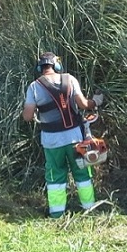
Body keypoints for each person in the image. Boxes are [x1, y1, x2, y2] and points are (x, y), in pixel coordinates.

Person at [22, 52, 104, 218]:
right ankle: (89, 210)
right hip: (75, 138)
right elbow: (83, 104)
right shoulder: (70, 79)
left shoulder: (34, 87)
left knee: (55, 175)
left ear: (40, 67)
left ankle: (57, 213)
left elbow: (28, 117)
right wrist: (96, 101)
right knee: (82, 172)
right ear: (56, 65)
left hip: (52, 141)